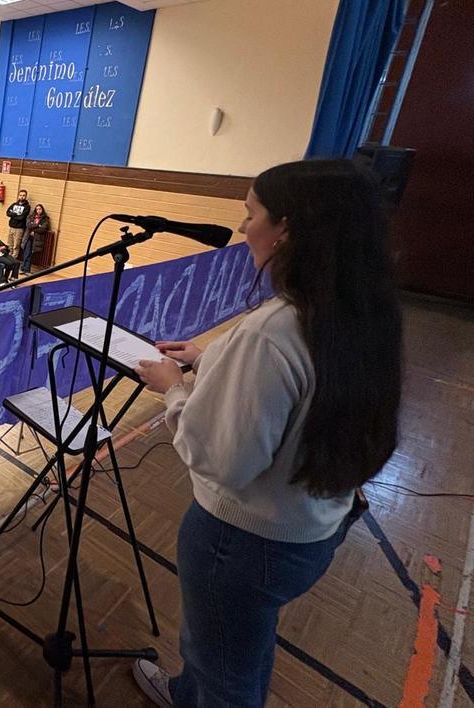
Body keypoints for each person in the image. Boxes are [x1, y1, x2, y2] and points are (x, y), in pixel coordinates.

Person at [130, 160, 401, 708]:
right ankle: (187, 693)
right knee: (239, 646)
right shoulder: (359, 312)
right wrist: (211, 360)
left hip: (243, 544)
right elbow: (302, 393)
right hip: (311, 529)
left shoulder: (273, 332)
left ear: (287, 229)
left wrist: (175, 390)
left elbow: (222, 459)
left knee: (225, 669)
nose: (241, 227)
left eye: (250, 213)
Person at [22, 203, 50, 273]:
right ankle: (24, 268)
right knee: (26, 252)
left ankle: (27, 269)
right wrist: (38, 225)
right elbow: (28, 225)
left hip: (36, 239)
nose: (38, 210)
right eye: (37, 209)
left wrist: (34, 230)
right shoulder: (31, 216)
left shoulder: (45, 218)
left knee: (31, 254)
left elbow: (43, 228)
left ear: (42, 210)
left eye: (40, 209)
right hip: (28, 237)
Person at [6, 189, 30, 258]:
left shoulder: (27, 207)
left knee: (16, 245)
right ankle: (9, 258)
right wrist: (17, 214)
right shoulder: (14, 204)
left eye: (23, 195)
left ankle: (14, 259)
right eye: (20, 195)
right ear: (18, 196)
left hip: (19, 229)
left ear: (25, 197)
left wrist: (13, 214)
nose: (22, 197)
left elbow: (21, 218)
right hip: (11, 227)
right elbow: (8, 213)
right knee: (10, 243)